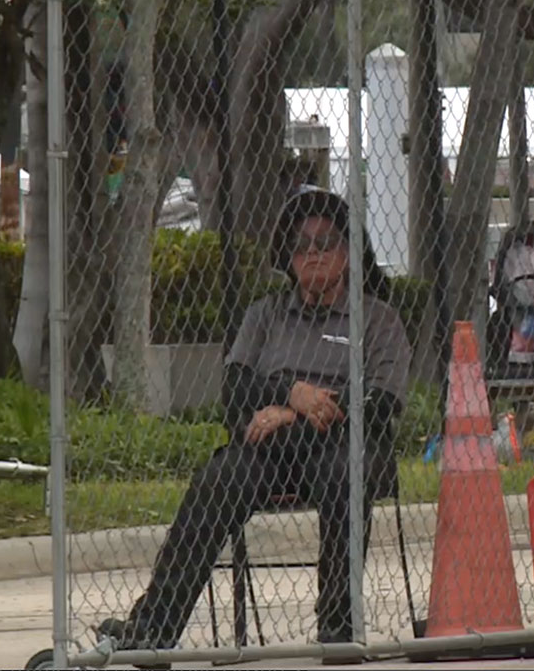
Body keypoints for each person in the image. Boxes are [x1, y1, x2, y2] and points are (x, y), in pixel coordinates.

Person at [97, 190, 411, 661]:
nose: (312, 254)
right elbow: (235, 390)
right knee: (217, 478)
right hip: (270, 452)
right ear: (287, 258)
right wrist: (291, 393)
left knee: (342, 474)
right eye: (301, 245)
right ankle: (152, 629)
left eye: (325, 242)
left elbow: (381, 403)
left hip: (346, 446)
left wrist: (295, 410)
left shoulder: (378, 318)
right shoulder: (264, 315)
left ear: (347, 252)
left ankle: (339, 629)